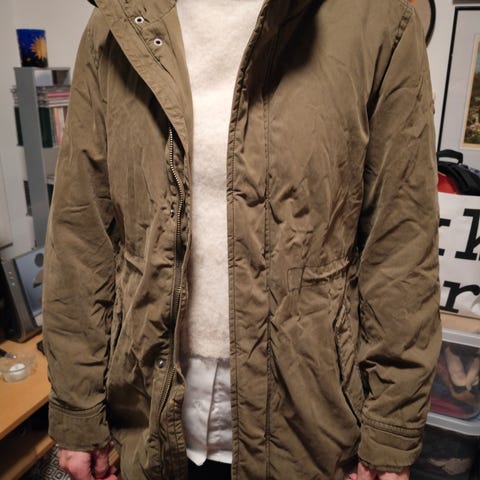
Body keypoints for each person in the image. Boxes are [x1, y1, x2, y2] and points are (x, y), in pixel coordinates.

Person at [42, 0, 441, 479]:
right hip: (146, 425)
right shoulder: (117, 20)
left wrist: (391, 430)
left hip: (311, 430)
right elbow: (82, 233)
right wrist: (77, 408)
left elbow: (400, 244)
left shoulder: (378, 20)